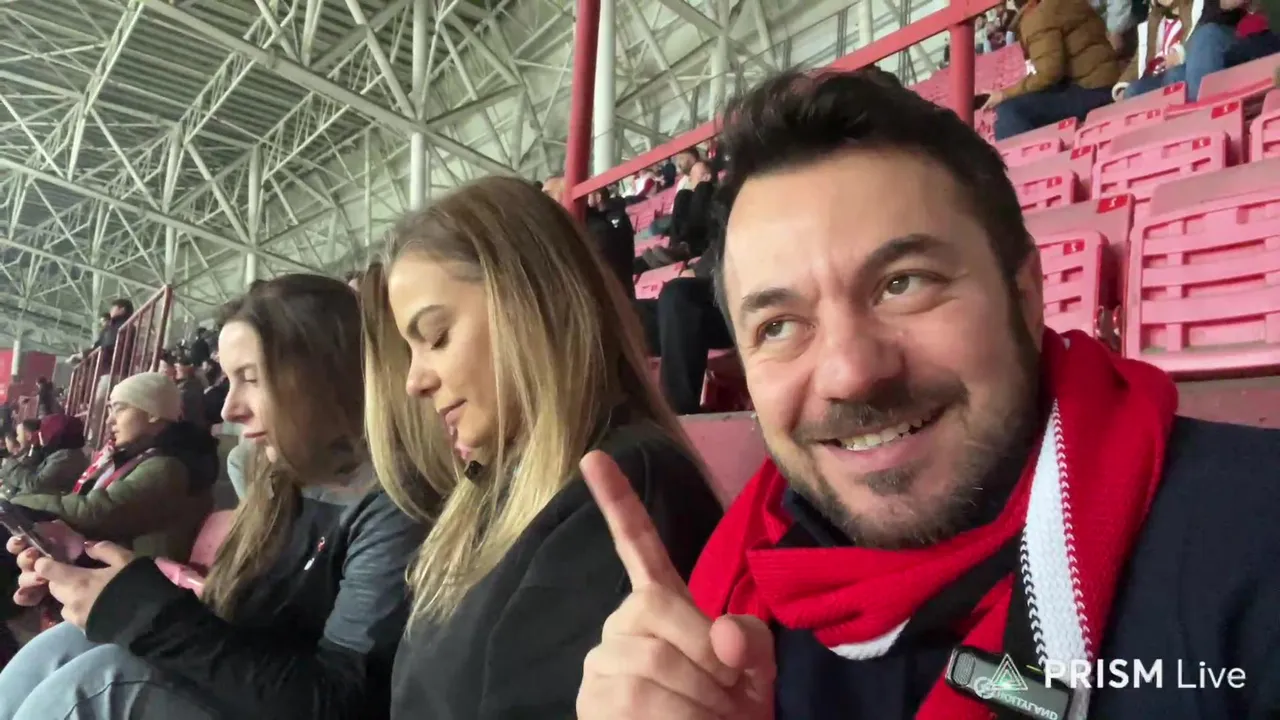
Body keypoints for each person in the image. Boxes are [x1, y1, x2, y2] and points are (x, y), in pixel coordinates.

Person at [575, 69, 1280, 720]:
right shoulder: (729, 610)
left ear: (1025, 294)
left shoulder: (1254, 538)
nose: (851, 373)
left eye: (903, 283)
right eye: (779, 325)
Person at [360, 176, 723, 718]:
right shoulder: (494, 489)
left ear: (534, 304)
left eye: (436, 337)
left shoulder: (622, 487)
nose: (414, 381)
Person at [0, 274, 425, 720]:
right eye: (230, 379)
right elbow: (229, 622)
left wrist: (137, 609)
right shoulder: (282, 481)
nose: (228, 409)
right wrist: (82, 566)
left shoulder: (394, 508)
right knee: (66, 645)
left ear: (327, 378)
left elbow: (339, 700)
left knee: (102, 685)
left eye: (251, 379)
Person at [7, 373, 218, 559]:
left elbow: (95, 512)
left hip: (137, 578)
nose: (109, 420)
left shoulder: (168, 467)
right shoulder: (134, 455)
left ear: (153, 413)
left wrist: (19, 502)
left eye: (119, 409)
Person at [987, 0, 1122, 139]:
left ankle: (1036, 153)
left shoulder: (1038, 14)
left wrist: (1004, 95)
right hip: (1105, 79)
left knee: (1009, 112)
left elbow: (1049, 73)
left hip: (1093, 90)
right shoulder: (1054, 5)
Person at [0, 414, 88, 499]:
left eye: (44, 432)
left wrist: (11, 466)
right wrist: (37, 449)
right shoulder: (60, 453)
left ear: (55, 435)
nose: (41, 435)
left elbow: (36, 485)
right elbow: (32, 469)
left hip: (47, 505)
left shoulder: (65, 457)